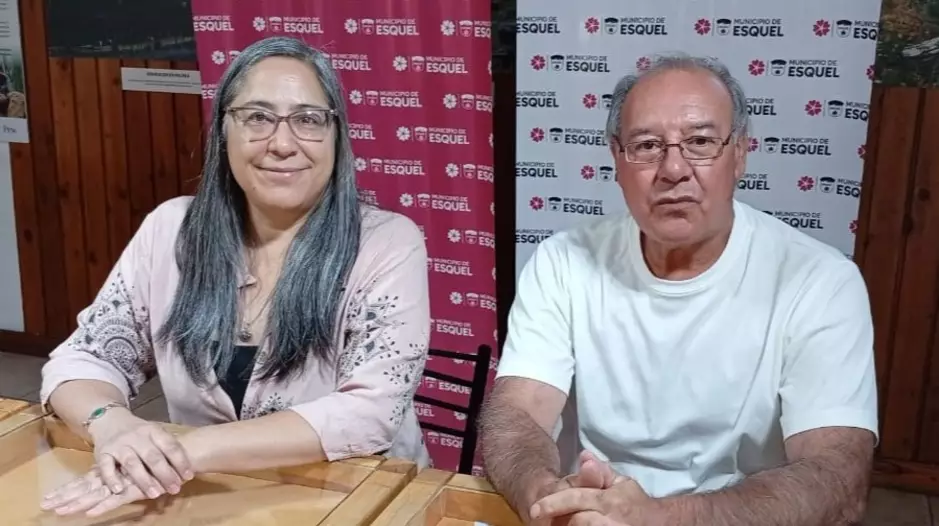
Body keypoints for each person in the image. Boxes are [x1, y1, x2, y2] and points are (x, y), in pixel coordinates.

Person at [38, 36, 430, 518]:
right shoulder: (171, 230)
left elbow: (370, 413)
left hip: (359, 501)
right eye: (257, 117)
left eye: (308, 120)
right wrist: (111, 423)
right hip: (213, 503)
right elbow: (84, 358)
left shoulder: (387, 242)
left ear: (336, 136)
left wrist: (182, 452)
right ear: (224, 131)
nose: (282, 144)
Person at [480, 52, 878, 526]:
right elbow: (517, 414)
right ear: (617, 159)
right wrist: (545, 497)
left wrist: (659, 516)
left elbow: (837, 477)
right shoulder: (562, 262)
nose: (673, 169)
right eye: (647, 145)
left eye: (700, 142)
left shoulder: (821, 281)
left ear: (740, 154)